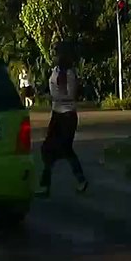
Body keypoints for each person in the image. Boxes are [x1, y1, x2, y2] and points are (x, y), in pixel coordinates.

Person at [39, 45, 88, 197]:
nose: (54, 57)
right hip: (56, 113)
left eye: (56, 55)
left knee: (64, 149)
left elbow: (70, 94)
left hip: (67, 114)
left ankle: (80, 180)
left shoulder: (69, 74)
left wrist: (55, 96)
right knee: (48, 148)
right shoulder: (54, 71)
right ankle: (45, 185)